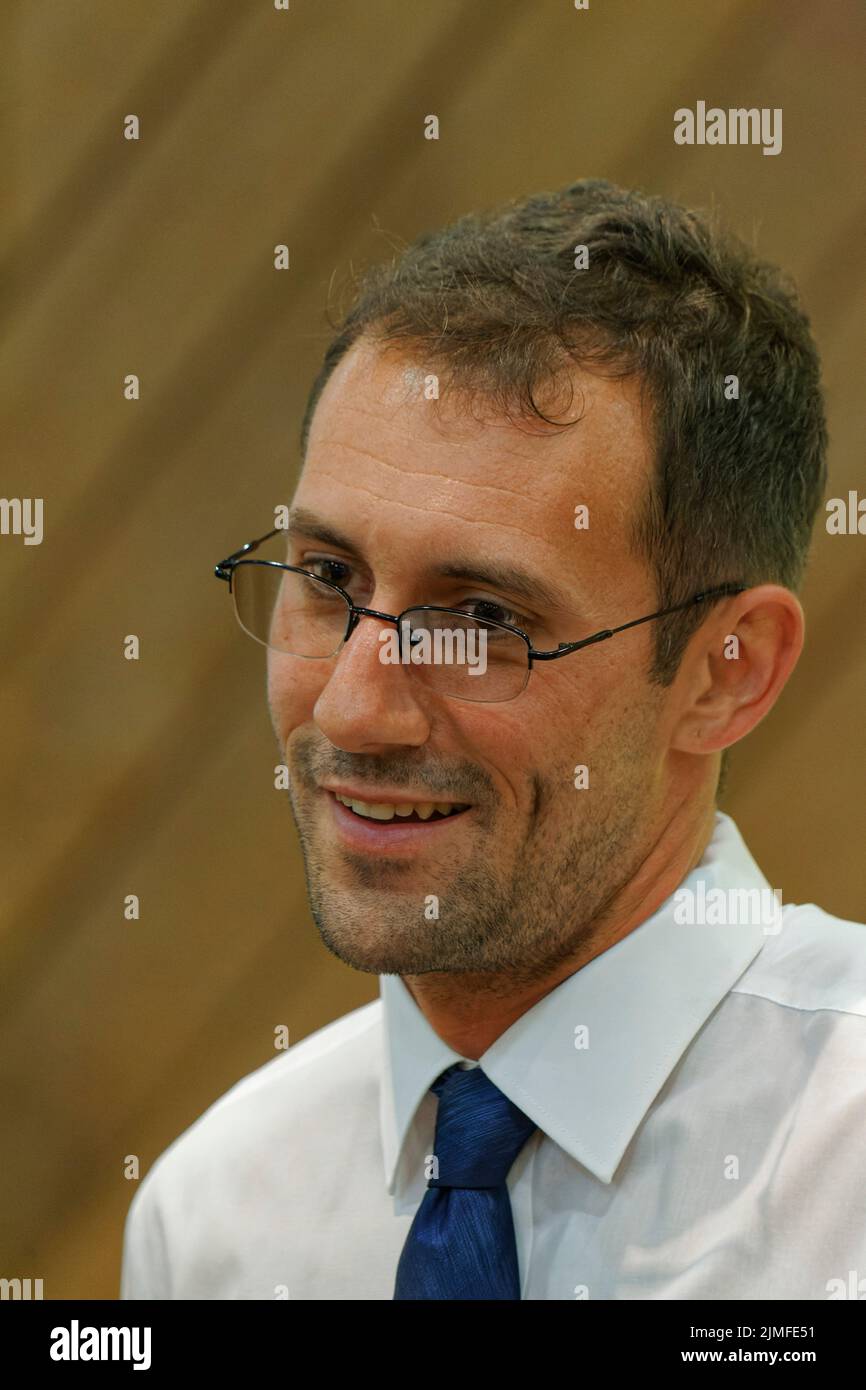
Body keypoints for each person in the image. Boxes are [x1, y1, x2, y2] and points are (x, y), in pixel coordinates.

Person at [120, 179, 865, 1301]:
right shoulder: (215, 1220)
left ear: (728, 670)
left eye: (482, 620)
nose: (351, 711)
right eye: (327, 580)